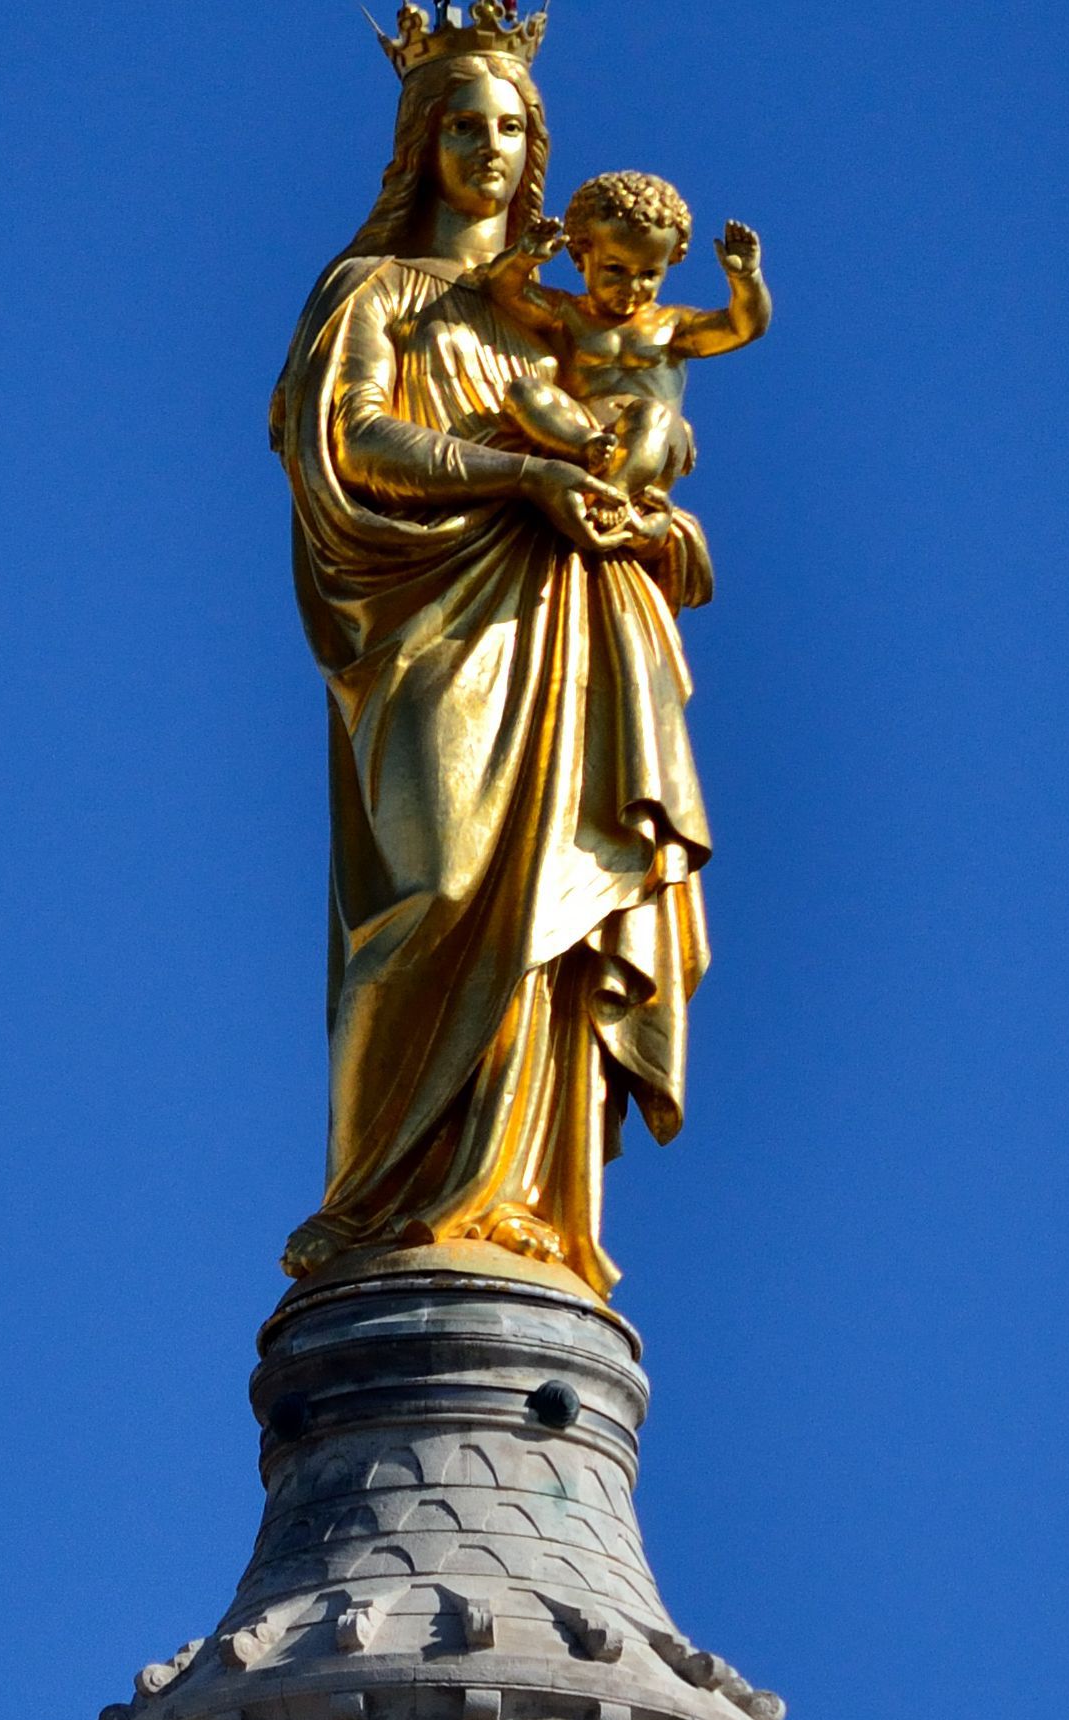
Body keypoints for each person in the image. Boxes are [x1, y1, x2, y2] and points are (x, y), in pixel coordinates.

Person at [270, 6, 716, 1299]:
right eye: (462, 122)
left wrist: (642, 495)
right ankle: (377, 1198)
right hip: (433, 628)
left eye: (510, 127)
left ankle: (522, 1199)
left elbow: (644, 428)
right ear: (422, 141)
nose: (488, 147)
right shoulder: (379, 296)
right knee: (442, 883)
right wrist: (519, 475)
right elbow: (349, 440)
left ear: (538, 153)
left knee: (554, 917)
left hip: (571, 625)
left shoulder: (568, 318)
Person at [478, 171, 770, 509]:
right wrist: (523, 257)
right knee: (524, 392)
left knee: (651, 415)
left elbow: (743, 326)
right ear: (580, 256)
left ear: (669, 262)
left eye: (648, 275)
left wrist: (746, 277)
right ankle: (587, 446)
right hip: (583, 434)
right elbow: (502, 289)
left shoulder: (672, 325)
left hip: (655, 443)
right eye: (615, 270)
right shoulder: (567, 314)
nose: (632, 287)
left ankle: (610, 498)